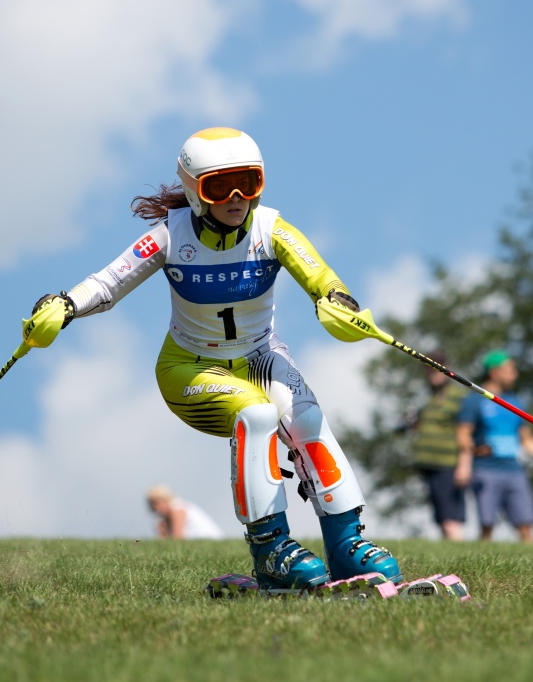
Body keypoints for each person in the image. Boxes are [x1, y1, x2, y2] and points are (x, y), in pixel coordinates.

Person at [20, 127, 401, 590]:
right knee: (256, 414)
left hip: (261, 355)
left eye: (248, 182)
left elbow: (321, 277)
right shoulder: (171, 235)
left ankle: (346, 545)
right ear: (193, 191)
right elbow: (107, 284)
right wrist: (64, 304)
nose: (237, 198)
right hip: (191, 367)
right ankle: (271, 553)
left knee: (305, 417)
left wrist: (338, 301)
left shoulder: (270, 229)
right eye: (220, 187)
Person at [455, 349, 533, 543]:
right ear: (494, 372)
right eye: (510, 370)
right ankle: (481, 560)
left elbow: (527, 440)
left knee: (526, 524)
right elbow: (463, 435)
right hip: (485, 469)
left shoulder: (515, 403)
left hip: (514, 469)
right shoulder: (474, 401)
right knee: (487, 524)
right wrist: (468, 458)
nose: (514, 374)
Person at [407, 350, 470, 540]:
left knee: (450, 516)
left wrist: (464, 464)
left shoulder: (459, 396)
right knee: (442, 516)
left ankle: (459, 553)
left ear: (447, 369)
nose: (432, 373)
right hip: (430, 465)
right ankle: (453, 551)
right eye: (428, 368)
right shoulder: (429, 398)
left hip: (448, 464)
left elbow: (466, 433)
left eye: (436, 368)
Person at [146, 484, 224, 540]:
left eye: (159, 502)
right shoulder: (161, 519)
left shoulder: (177, 509)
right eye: (153, 503)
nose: (156, 507)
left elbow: (178, 538)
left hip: (210, 539)